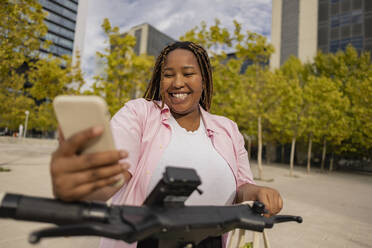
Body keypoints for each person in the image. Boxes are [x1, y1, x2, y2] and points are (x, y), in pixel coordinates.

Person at [50, 41, 283, 248]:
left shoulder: (228, 129)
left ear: (204, 78)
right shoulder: (139, 114)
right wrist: (83, 186)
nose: (177, 82)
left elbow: (242, 187)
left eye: (188, 73)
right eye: (168, 74)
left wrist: (259, 192)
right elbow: (113, 176)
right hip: (147, 241)